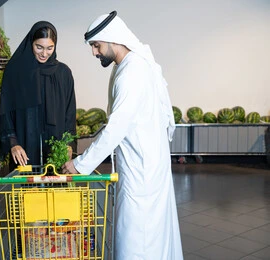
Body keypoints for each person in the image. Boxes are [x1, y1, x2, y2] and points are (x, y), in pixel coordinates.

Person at [62, 11, 183, 259]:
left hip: (143, 171)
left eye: (96, 45)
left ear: (111, 38)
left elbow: (116, 127)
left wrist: (79, 164)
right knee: (144, 235)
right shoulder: (127, 66)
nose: (94, 52)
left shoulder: (132, 72)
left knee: (138, 240)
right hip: (143, 164)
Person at [0, 21, 77, 171]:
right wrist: (13, 143)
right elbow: (5, 111)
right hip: (24, 149)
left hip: (56, 149)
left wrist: (68, 144)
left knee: (55, 192)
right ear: (30, 43)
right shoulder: (15, 72)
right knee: (26, 192)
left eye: (49, 48)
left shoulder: (63, 73)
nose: (44, 53)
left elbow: (70, 112)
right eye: (39, 47)